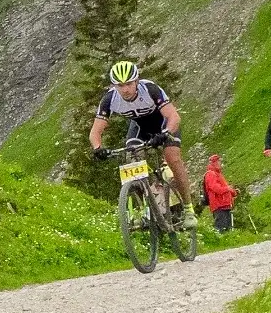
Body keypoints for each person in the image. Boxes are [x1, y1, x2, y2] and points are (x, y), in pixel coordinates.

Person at [88, 60, 195, 224]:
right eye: (120, 85)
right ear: (114, 85)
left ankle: (188, 209)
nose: (125, 89)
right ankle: (146, 208)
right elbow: (95, 132)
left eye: (129, 84)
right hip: (139, 128)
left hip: (163, 124)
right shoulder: (110, 99)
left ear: (136, 81)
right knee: (132, 161)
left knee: (172, 158)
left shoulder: (150, 89)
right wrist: (98, 147)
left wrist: (165, 133)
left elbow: (173, 117)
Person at [202, 154, 238, 234]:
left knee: (228, 228)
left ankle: (228, 242)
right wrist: (228, 188)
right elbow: (215, 188)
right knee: (221, 228)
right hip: (219, 205)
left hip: (225, 205)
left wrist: (233, 192)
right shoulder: (211, 174)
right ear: (214, 163)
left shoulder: (218, 174)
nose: (220, 163)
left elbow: (223, 188)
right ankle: (222, 242)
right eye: (218, 161)